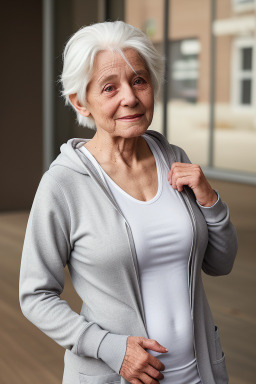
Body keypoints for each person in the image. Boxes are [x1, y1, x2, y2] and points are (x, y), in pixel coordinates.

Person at [19, 21, 238, 384]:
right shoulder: (63, 184)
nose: (130, 97)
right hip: (113, 376)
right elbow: (35, 295)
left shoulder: (174, 158)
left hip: (199, 374)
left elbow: (221, 263)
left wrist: (210, 200)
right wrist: (109, 348)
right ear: (80, 102)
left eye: (139, 80)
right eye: (109, 87)